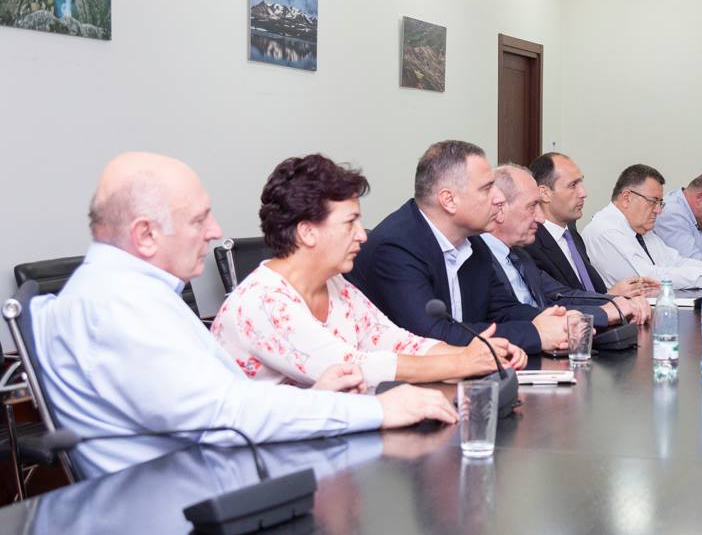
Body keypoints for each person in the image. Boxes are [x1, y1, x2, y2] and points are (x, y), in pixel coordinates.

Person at [32, 152, 457, 478]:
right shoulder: (119, 306)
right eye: (199, 219)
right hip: (184, 500)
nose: (215, 231)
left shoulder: (126, 292)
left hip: (207, 476)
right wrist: (380, 409)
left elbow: (222, 403)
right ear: (145, 234)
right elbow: (228, 416)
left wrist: (317, 398)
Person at [212, 155, 527, 390]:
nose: (362, 235)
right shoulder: (263, 301)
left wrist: (479, 353)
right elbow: (350, 366)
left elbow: (394, 340)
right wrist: (460, 363)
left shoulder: (335, 285)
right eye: (350, 223)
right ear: (307, 232)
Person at [347, 140, 572, 355]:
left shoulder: (473, 242)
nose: (498, 198)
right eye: (487, 188)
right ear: (449, 200)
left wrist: (553, 322)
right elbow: (433, 336)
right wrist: (536, 334)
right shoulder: (395, 247)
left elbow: (502, 310)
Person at [483, 164, 652, 326]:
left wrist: (617, 302)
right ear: (500, 208)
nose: (540, 218)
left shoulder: (519, 255)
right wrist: (604, 312)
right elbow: (511, 316)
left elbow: (563, 296)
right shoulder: (477, 259)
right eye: (532, 206)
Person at [582, 164, 702, 290]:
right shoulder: (605, 230)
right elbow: (649, 278)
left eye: (660, 203)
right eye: (653, 201)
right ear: (627, 198)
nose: (658, 210)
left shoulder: (641, 231)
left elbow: (675, 261)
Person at [524, 152, 658, 298]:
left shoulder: (572, 236)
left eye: (581, 183)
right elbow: (557, 299)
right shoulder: (530, 243)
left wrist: (622, 292)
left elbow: (591, 291)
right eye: (573, 185)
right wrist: (608, 297)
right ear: (544, 193)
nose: (583, 193)